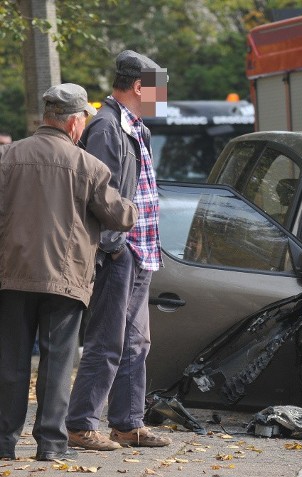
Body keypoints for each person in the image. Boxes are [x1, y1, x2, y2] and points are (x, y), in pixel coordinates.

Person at [0, 84, 138, 461]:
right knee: (57, 364)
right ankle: (50, 444)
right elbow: (119, 216)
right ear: (75, 122)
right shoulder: (87, 166)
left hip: (11, 276)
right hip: (65, 280)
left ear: (47, 117)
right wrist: (134, 206)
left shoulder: (8, 157)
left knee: (10, 362)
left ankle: (4, 443)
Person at [66, 50, 171, 451]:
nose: (162, 98)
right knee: (107, 341)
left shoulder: (133, 125)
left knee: (136, 342)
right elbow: (97, 193)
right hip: (121, 251)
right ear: (140, 86)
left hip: (140, 251)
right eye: (158, 89)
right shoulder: (108, 127)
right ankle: (80, 425)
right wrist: (112, 248)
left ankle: (128, 424)